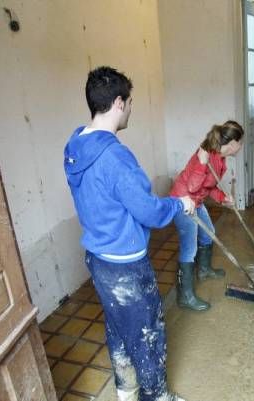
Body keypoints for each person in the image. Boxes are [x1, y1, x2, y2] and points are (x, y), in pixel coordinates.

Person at [63, 66, 195, 401]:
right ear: (119, 103)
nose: (131, 109)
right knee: (147, 333)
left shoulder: (76, 144)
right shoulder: (115, 156)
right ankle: (156, 396)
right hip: (125, 265)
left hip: (98, 258)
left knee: (119, 326)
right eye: (130, 102)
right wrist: (180, 205)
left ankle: (126, 390)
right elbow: (150, 212)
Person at [169, 121, 244, 311]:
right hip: (183, 201)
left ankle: (203, 270)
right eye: (240, 142)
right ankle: (185, 296)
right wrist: (201, 163)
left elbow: (207, 187)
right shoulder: (206, 154)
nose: (241, 146)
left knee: (209, 232)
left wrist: (222, 198)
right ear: (232, 143)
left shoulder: (220, 157)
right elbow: (193, 186)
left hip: (197, 200)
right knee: (189, 248)